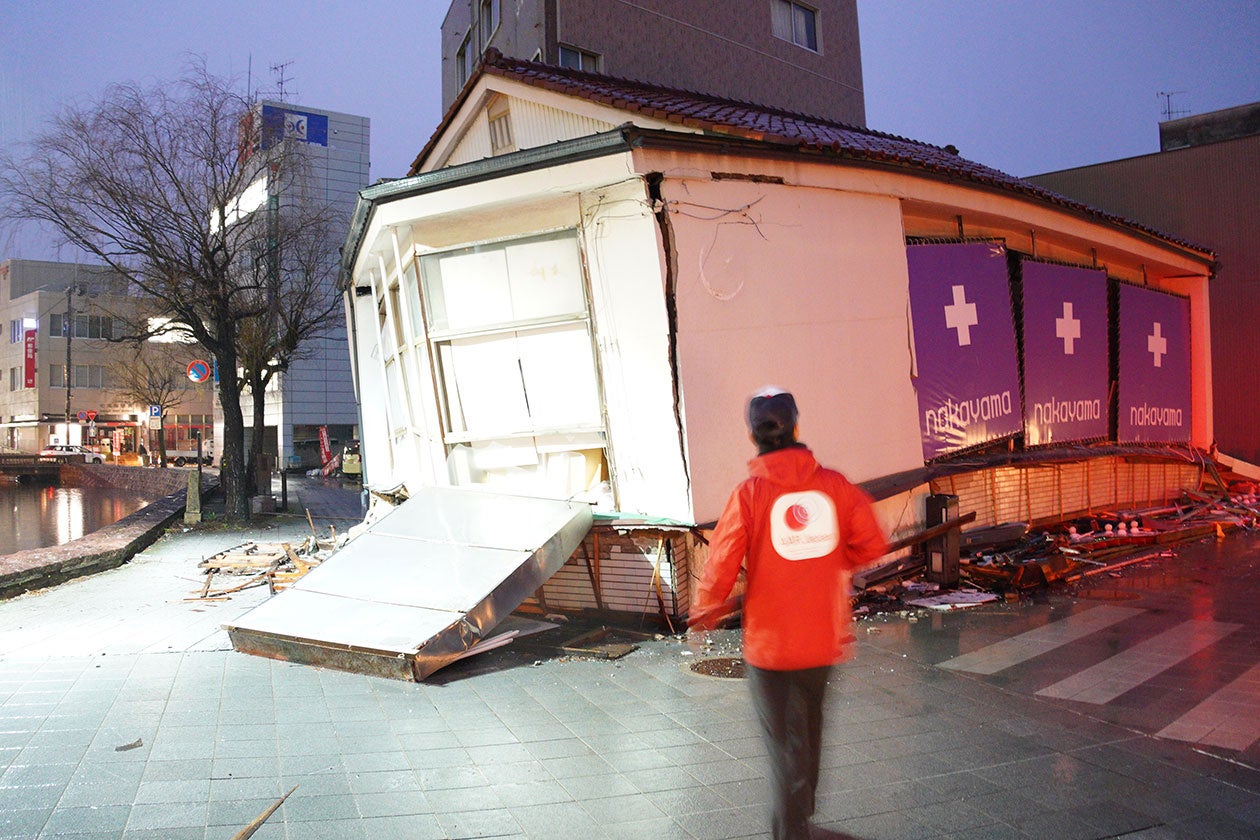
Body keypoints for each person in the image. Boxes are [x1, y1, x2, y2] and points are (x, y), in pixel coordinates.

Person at [689, 387, 887, 840]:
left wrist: (704, 612)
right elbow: (872, 542)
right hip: (821, 640)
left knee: (782, 748)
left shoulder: (749, 495)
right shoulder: (833, 486)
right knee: (808, 734)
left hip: (770, 647)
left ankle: (792, 832)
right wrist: (831, 561)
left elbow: (721, 562)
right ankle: (801, 818)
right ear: (796, 427)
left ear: (752, 436)